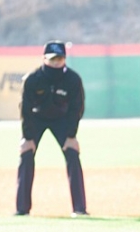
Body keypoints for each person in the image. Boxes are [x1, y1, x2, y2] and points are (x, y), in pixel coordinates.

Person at [15, 40, 88, 217]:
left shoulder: (73, 79)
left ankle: (79, 208)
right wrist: (27, 137)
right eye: (52, 59)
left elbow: (76, 108)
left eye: (60, 58)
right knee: (26, 154)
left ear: (65, 59)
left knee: (72, 153)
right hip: (37, 119)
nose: (56, 62)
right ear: (44, 59)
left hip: (62, 120)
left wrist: (71, 135)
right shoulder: (33, 79)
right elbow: (25, 109)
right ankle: (22, 209)